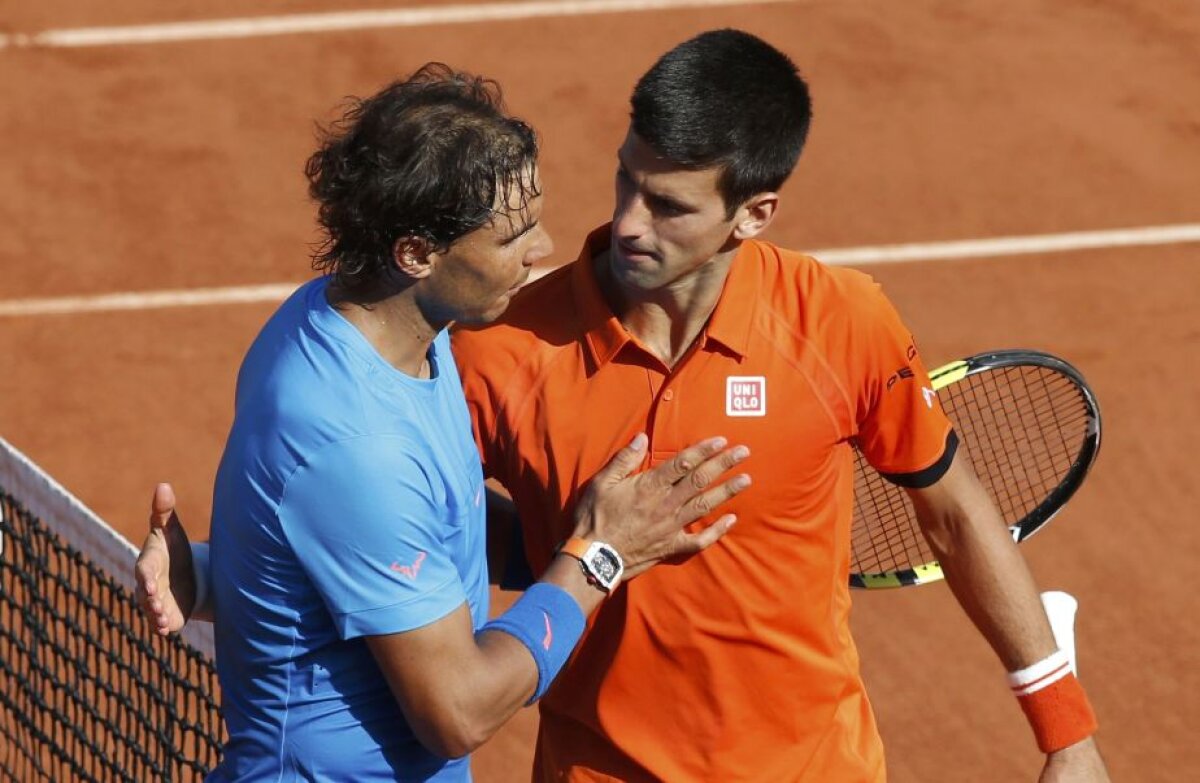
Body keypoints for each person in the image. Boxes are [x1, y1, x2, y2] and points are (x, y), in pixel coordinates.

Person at [141, 32, 1109, 782]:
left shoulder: (840, 322)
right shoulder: (498, 340)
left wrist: (1064, 730)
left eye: (673, 205)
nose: (628, 226)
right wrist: (604, 546)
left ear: (754, 213)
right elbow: (389, 524)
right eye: (627, 181)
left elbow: (954, 508)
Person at [135, 63, 752, 781]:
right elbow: (458, 711)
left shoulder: (375, 326)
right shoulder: (355, 444)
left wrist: (215, 578)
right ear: (417, 253)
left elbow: (393, 535)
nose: (543, 248)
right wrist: (599, 554)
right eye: (510, 236)